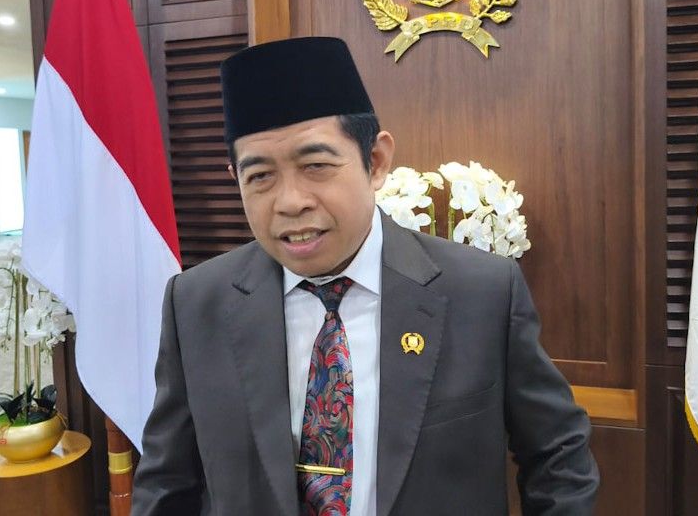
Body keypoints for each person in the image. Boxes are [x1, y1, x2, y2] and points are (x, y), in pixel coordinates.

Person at [131, 37, 599, 516]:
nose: (290, 202)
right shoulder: (197, 303)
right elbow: (167, 482)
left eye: (316, 166)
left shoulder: (482, 292)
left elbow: (557, 456)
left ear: (375, 162)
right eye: (260, 176)